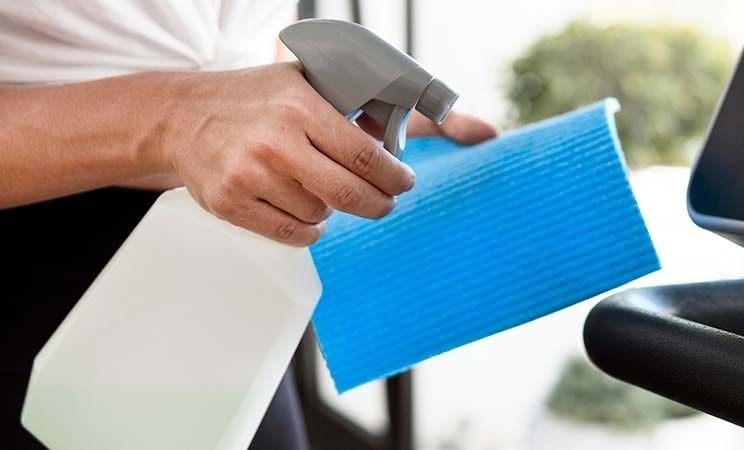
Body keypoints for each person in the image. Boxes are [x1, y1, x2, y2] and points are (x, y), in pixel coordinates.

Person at [0, 1, 498, 449]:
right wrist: (174, 117)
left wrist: (331, 123)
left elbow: (251, 38)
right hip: (43, 256)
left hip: (232, 271)